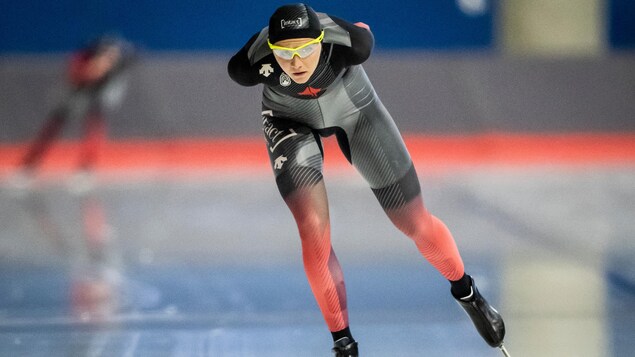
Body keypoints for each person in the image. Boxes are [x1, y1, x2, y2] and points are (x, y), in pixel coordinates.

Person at [228, 4, 506, 356]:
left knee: (414, 222)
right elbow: (241, 64)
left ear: (321, 41)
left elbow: (363, 29)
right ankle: (343, 345)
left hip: (355, 111)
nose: (297, 62)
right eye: (285, 54)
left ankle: (467, 292)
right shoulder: (250, 64)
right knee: (313, 231)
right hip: (288, 121)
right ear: (272, 51)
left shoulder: (351, 45)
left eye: (307, 50)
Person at [15, 36, 134, 189]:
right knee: (53, 128)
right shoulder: (82, 58)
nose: (109, 59)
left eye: (113, 56)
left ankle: (86, 169)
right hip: (76, 93)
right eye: (107, 55)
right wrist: (92, 71)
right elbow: (76, 75)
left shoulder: (117, 66)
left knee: (94, 130)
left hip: (96, 96)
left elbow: (113, 87)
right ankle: (28, 167)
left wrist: (105, 73)